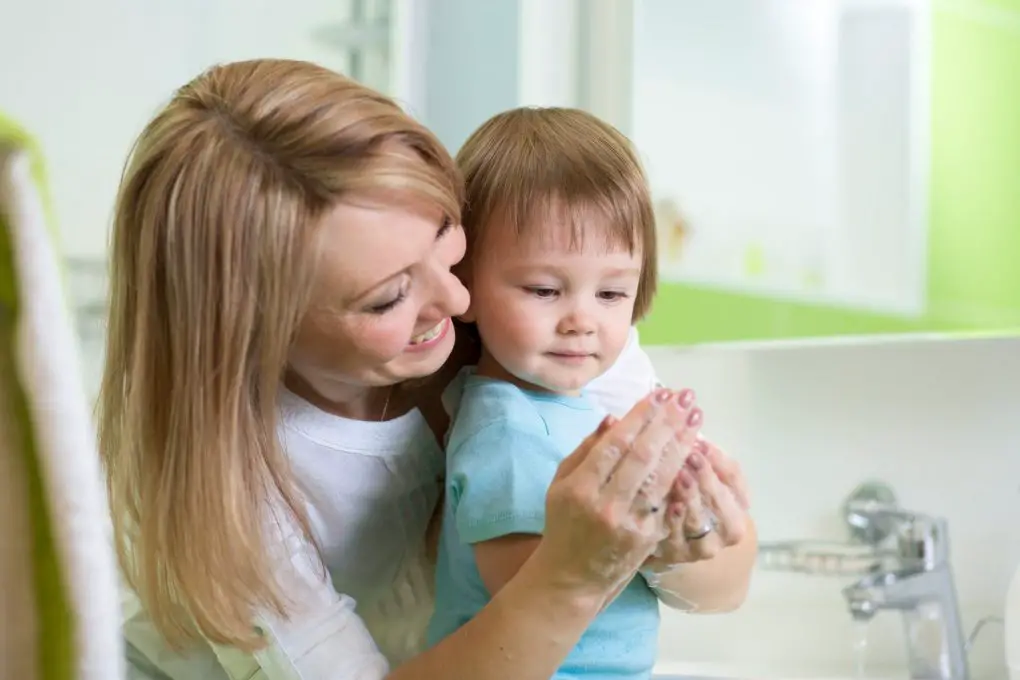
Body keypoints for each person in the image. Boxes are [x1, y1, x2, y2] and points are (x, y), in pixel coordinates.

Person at [100, 59, 756, 680]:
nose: (458, 300)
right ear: (255, 328)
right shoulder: (232, 492)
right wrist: (576, 574)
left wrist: (685, 543)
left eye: (447, 239)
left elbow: (723, 587)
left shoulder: (537, 315)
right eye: (389, 297)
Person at [425, 107, 720, 680]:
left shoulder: (576, 408)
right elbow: (532, 592)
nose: (581, 320)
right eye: (543, 289)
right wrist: (651, 525)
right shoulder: (505, 430)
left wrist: (679, 511)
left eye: (611, 294)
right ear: (465, 288)